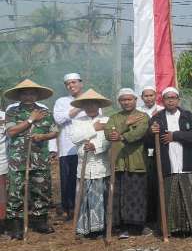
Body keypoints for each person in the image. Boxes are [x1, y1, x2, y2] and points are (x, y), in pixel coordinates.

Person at [4, 79, 59, 239]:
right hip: (18, 160)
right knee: (16, 192)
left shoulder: (45, 112)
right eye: (25, 93)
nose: (28, 96)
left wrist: (43, 136)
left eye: (32, 93)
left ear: (37, 95)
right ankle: (15, 224)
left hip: (39, 158)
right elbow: (11, 132)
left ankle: (39, 221)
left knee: (41, 190)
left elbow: (55, 132)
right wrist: (30, 120)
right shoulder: (12, 112)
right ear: (20, 95)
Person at [149, 87, 192, 236]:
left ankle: (191, 228)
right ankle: (170, 229)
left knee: (188, 197)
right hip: (167, 165)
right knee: (168, 198)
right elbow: (148, 142)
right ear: (163, 100)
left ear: (178, 100)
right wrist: (151, 132)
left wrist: (175, 136)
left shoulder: (188, 116)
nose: (170, 100)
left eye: (173, 97)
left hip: (186, 164)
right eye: (167, 98)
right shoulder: (157, 118)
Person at [106, 88, 150, 239]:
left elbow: (139, 133)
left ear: (135, 100)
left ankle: (138, 226)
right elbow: (108, 134)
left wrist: (121, 135)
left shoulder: (143, 116)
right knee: (120, 195)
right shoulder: (113, 117)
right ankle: (122, 227)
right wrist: (126, 124)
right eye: (123, 100)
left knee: (137, 193)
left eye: (129, 99)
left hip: (137, 161)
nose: (126, 102)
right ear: (119, 102)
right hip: (118, 161)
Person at [69, 89, 112, 237]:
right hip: (83, 166)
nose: (91, 107)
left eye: (94, 104)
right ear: (83, 106)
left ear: (99, 105)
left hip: (100, 165)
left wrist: (96, 147)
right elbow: (75, 138)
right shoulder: (77, 122)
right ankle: (83, 228)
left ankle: (99, 228)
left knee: (99, 198)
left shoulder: (106, 120)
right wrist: (93, 128)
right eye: (87, 105)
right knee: (83, 198)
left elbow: (107, 141)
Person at [53, 72, 87, 220]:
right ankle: (70, 208)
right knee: (68, 179)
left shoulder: (91, 99)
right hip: (68, 147)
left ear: (81, 83)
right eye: (68, 84)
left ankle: (85, 206)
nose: (71, 86)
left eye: (74, 82)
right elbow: (59, 119)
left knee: (86, 177)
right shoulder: (62, 101)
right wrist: (80, 106)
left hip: (87, 145)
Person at [138, 86, 162, 223]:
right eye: (146, 96)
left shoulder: (161, 110)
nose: (148, 98)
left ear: (155, 96)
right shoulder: (138, 112)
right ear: (142, 98)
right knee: (145, 182)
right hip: (143, 150)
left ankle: (159, 214)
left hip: (159, 150)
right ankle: (147, 215)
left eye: (151, 95)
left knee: (158, 181)